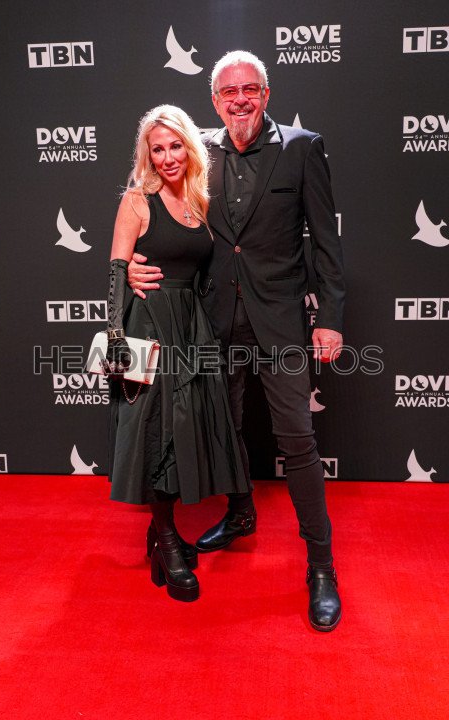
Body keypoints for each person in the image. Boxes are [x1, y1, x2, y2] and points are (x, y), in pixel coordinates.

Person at [129, 51, 345, 631]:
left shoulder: (302, 147)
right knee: (221, 428)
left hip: (281, 321)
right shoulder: (196, 149)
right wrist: (128, 265)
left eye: (251, 89)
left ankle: (321, 566)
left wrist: (329, 318)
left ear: (266, 95)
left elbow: (327, 244)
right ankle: (243, 512)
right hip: (212, 320)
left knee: (297, 438)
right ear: (215, 100)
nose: (241, 99)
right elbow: (149, 201)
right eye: (229, 92)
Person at [104, 104, 250, 603]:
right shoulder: (136, 200)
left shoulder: (198, 201)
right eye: (157, 149)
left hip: (193, 327)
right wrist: (119, 343)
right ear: (146, 155)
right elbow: (115, 275)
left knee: (186, 426)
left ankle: (158, 536)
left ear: (190, 148)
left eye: (175, 146)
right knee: (158, 428)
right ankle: (167, 540)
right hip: (150, 327)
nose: (167, 157)